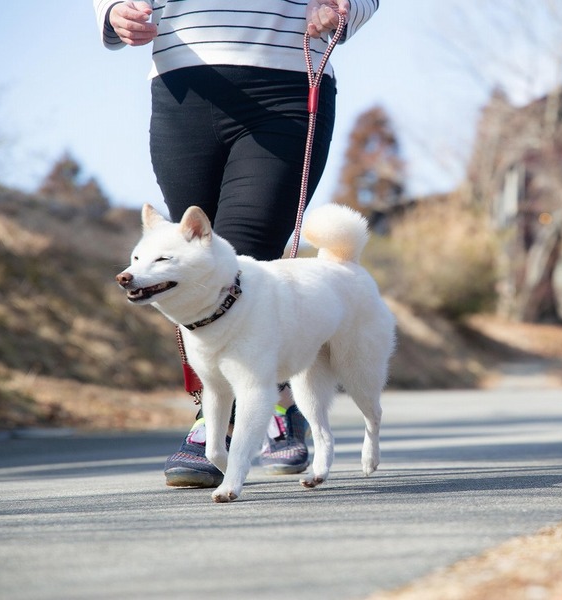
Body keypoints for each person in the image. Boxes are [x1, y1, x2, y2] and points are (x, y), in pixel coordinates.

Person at [93, 0, 378, 487]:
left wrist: (346, 6)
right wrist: (114, 9)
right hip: (182, 86)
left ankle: (246, 415)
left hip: (286, 82)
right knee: (184, 265)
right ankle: (225, 405)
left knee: (239, 255)